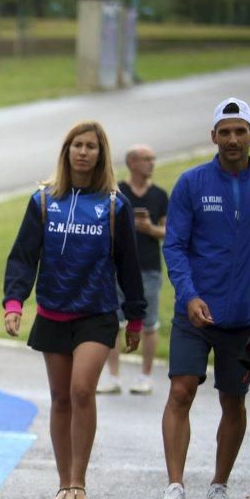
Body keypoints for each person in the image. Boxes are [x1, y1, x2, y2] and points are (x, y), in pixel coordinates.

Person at [3, 121, 146, 499]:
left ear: (101, 154)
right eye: (76, 145)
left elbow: (128, 266)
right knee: (60, 398)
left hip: (97, 313)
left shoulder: (115, 205)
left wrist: (135, 318)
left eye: (91, 146)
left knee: (83, 390)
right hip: (53, 311)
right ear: (66, 151)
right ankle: (63, 482)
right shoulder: (44, 201)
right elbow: (23, 256)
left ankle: (80, 483)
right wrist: (14, 303)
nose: (83, 152)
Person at [154, 98, 250, 499]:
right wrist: (190, 296)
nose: (232, 139)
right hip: (194, 313)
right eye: (224, 132)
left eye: (239, 131)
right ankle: (175, 487)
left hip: (245, 319)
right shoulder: (191, 183)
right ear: (213, 136)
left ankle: (219, 487)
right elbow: (174, 245)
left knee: (235, 400)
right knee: (181, 390)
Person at [99, 145, 168, 396]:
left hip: (149, 268)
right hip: (115, 268)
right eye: (146, 159)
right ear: (131, 163)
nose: (151, 163)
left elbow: (169, 231)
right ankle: (113, 377)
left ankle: (145, 377)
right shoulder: (116, 193)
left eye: (153, 158)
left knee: (150, 324)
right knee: (113, 322)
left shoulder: (160, 195)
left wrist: (150, 229)